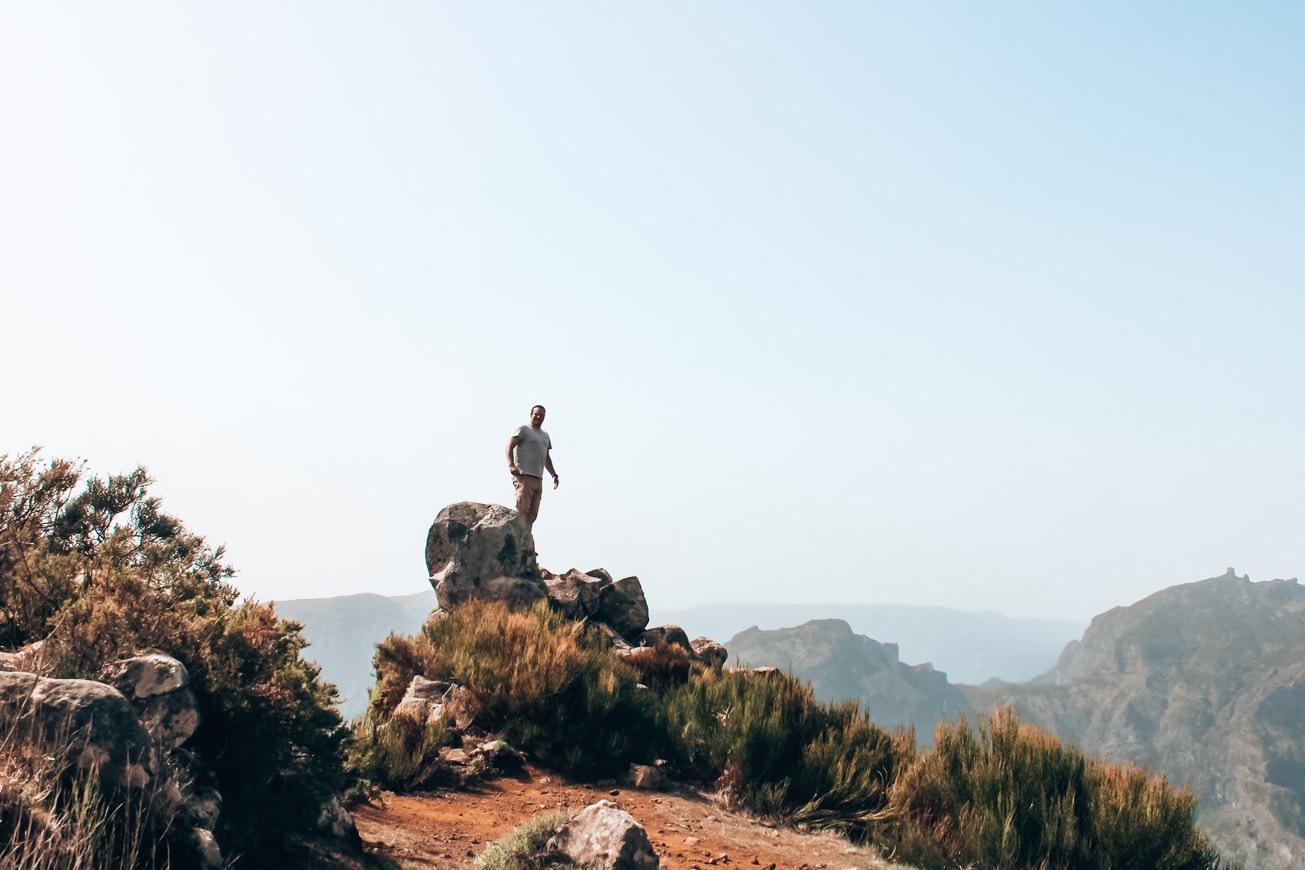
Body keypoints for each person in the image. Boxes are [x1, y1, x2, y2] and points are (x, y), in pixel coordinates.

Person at [506, 404, 558, 527]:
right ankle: (517, 540)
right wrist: (511, 465)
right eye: (536, 414)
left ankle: (525, 540)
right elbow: (509, 445)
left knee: (532, 514)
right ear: (531, 414)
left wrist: (553, 474)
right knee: (521, 511)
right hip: (524, 476)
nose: (539, 417)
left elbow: (546, 457)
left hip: (538, 478)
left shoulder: (545, 435)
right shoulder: (524, 429)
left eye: (542, 415)